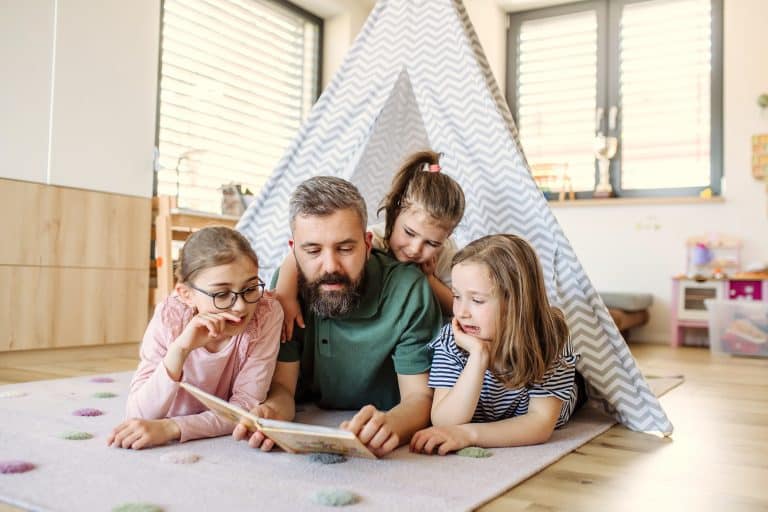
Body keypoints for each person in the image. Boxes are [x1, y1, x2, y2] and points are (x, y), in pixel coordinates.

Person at [233, 176, 443, 457]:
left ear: (368, 245)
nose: (330, 266)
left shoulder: (408, 289)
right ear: (294, 250)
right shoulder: (286, 292)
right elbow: (283, 386)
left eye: (345, 249)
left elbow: (419, 396)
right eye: (313, 251)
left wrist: (394, 423)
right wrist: (272, 412)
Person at [107, 226, 283, 450]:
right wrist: (180, 349)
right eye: (221, 294)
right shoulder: (169, 318)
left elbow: (244, 409)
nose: (240, 306)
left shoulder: (265, 314)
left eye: (249, 289)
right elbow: (139, 414)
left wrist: (171, 428)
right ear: (186, 294)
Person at [410, 234, 579, 455]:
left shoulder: (549, 337)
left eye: (477, 300)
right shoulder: (453, 339)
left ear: (515, 301)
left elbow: (539, 423)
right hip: (490, 404)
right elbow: (444, 421)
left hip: (555, 401)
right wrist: (478, 356)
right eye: (456, 296)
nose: (461, 312)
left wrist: (468, 434)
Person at [275, 150, 465, 340]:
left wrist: (429, 278)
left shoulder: (446, 254)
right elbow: (298, 253)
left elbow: (460, 308)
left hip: (426, 335)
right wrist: (286, 296)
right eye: (409, 233)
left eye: (432, 243)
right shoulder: (374, 239)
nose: (415, 249)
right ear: (396, 210)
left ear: (448, 235)